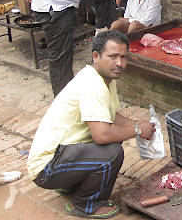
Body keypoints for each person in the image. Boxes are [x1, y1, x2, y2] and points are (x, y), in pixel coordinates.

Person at [27, 30, 155, 219]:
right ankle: (86, 204)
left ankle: (71, 183)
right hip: (46, 168)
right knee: (112, 152)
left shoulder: (104, 79)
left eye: (123, 57)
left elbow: (111, 116)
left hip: (62, 154)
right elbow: (102, 135)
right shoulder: (93, 84)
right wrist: (137, 130)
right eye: (113, 57)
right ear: (96, 56)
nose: (119, 63)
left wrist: (138, 123)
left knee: (115, 138)